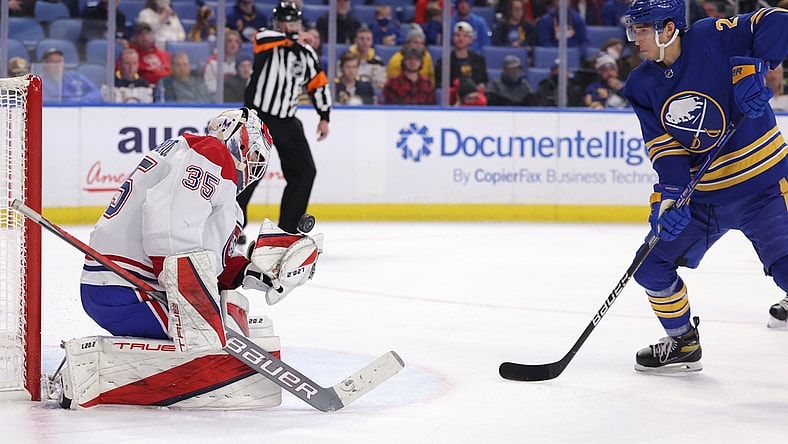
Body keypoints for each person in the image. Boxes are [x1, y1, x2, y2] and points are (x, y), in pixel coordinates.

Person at [69, 107, 318, 409]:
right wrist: (188, 298)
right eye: (253, 156)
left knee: (235, 309)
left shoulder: (208, 175)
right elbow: (169, 223)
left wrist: (252, 271)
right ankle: (111, 380)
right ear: (237, 140)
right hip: (128, 289)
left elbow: (213, 262)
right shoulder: (211, 153)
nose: (253, 169)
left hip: (119, 285)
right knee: (223, 333)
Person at [621, 1, 788, 373]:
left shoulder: (713, 35)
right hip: (704, 199)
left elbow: (778, 20)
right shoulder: (641, 85)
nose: (636, 40)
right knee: (650, 267)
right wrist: (669, 201)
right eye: (634, 31)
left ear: (668, 29)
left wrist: (753, 67)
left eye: (643, 30)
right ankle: (682, 343)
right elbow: (665, 150)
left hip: (763, 189)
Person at [242, 1, 332, 236]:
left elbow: (318, 84)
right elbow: (261, 39)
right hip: (257, 118)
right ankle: (231, 225)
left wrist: (324, 116)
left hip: (287, 120)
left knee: (305, 171)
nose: (289, 25)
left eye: (293, 21)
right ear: (277, 22)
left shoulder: (306, 52)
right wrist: (294, 38)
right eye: (285, 21)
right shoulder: (266, 38)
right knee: (248, 172)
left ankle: (288, 230)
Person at [434, 21, 489, 89]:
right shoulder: (444, 62)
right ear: (453, 38)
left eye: (465, 36)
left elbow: (485, 81)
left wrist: (482, 86)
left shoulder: (479, 60)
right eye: (458, 35)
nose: (461, 39)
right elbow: (439, 84)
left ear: (470, 40)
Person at [203, 29, 243, 94]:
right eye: (229, 41)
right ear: (224, 44)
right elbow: (209, 85)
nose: (233, 44)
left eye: (236, 41)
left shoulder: (245, 63)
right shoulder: (212, 63)